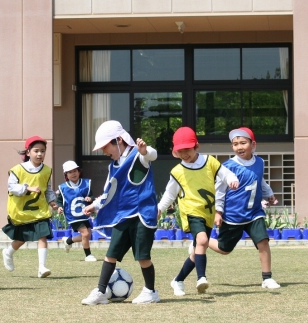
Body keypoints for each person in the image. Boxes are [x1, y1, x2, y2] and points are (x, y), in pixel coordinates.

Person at [81, 120, 160, 305]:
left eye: (105, 146)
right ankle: (100, 291)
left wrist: (145, 151)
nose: (103, 152)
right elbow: (109, 191)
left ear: (118, 140)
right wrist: (95, 205)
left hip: (141, 214)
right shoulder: (113, 166)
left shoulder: (138, 156)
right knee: (111, 253)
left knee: (143, 256)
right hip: (122, 215)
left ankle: (151, 291)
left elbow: (152, 155)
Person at [158, 126, 239, 296]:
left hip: (207, 214)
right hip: (191, 212)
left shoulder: (210, 161)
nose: (184, 154)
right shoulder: (177, 172)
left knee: (197, 252)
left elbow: (225, 174)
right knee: (202, 240)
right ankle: (201, 278)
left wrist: (232, 180)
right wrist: (159, 209)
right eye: (180, 151)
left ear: (196, 146)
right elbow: (169, 194)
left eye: (187, 149)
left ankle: (178, 280)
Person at [207, 127, 281, 289]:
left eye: (243, 143)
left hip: (254, 213)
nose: (239, 147)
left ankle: (267, 278)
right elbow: (219, 190)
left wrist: (269, 194)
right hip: (233, 216)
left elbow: (260, 181)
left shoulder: (260, 162)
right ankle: (201, 242)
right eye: (235, 144)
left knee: (263, 242)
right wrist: (218, 211)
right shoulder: (227, 166)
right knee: (224, 249)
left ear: (252, 144)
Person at [2, 135, 58, 278]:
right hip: (22, 211)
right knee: (21, 239)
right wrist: (28, 188)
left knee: (43, 236)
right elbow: (11, 187)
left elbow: (48, 188)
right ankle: (8, 252)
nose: (40, 154)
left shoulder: (46, 170)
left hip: (40, 211)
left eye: (43, 151)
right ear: (28, 152)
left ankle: (42, 267)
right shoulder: (17, 170)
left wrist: (52, 201)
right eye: (36, 151)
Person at [57, 160, 96, 262]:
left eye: (75, 171)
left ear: (79, 171)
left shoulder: (86, 184)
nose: (73, 174)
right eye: (70, 172)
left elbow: (91, 195)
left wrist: (90, 198)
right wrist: (59, 207)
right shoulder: (63, 187)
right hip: (72, 215)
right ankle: (88, 255)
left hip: (84, 213)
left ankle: (68, 241)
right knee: (85, 233)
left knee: (88, 233)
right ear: (66, 174)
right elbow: (60, 200)